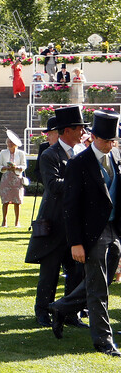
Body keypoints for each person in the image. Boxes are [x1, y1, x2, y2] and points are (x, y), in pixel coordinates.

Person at [50, 111, 121, 355]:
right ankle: (103, 341)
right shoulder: (78, 164)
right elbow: (70, 207)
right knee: (98, 287)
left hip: (115, 230)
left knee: (99, 281)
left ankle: (61, 307)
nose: (109, 145)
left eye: (113, 141)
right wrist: (76, 243)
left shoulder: (117, 157)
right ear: (93, 137)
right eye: (105, 141)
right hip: (92, 234)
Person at [25, 106, 89, 328]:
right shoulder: (49, 155)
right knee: (50, 272)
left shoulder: (83, 152)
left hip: (76, 224)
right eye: (80, 128)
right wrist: (82, 182)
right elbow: (53, 186)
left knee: (76, 271)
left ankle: (71, 313)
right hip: (54, 223)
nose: (83, 132)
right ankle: (42, 311)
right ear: (67, 131)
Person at [0, 129, 27, 227]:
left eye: (12, 142)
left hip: (17, 177)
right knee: (5, 200)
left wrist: (17, 167)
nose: (10, 144)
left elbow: (24, 165)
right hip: (6, 177)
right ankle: (4, 221)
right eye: (9, 142)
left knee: (17, 201)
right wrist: (4, 167)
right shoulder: (3, 152)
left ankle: (17, 221)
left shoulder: (21, 153)